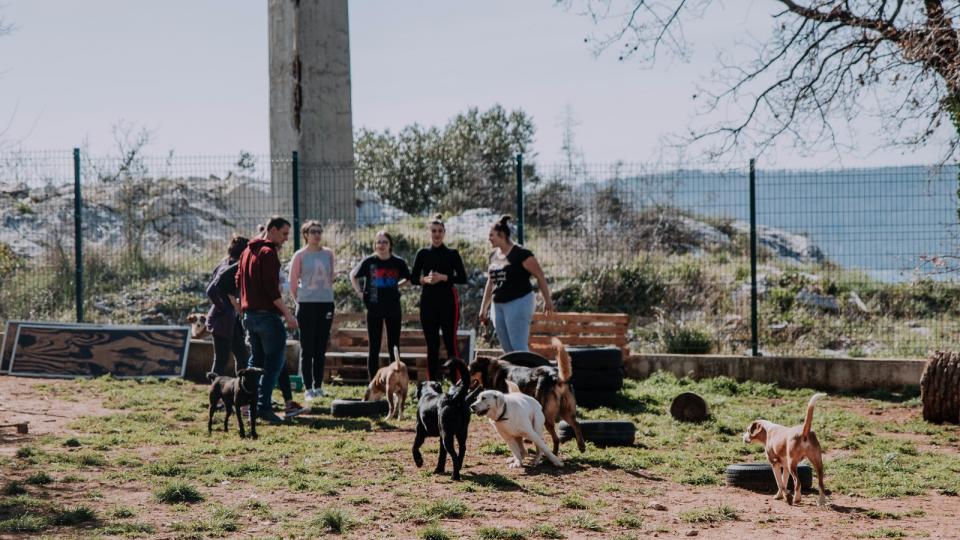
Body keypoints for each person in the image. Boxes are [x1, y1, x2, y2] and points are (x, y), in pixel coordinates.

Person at [236, 216, 305, 424]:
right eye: (284, 234)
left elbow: (238, 280)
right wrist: (287, 314)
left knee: (255, 362)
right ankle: (263, 407)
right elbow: (271, 289)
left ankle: (246, 403)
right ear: (272, 230)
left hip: (249, 316)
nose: (286, 239)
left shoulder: (247, 251)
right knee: (274, 363)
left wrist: (244, 303)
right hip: (267, 316)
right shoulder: (268, 253)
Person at [479, 215, 554, 353]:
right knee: (507, 348)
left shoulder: (521, 254)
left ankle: (527, 367)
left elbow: (540, 276)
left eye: (491, 235)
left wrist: (547, 300)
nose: (489, 238)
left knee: (518, 345)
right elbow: (490, 282)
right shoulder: (493, 256)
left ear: (502, 235)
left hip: (519, 302)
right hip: (498, 305)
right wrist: (483, 308)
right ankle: (514, 368)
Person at [410, 214, 467, 380]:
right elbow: (413, 278)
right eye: (434, 231)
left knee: (450, 342)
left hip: (448, 302)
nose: (436, 234)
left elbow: (463, 278)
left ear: (444, 233)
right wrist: (425, 280)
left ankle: (456, 382)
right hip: (428, 302)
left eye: (440, 231)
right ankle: (432, 383)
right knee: (432, 344)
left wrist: (443, 277)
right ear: (429, 233)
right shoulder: (422, 253)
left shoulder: (452, 254)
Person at [350, 230, 411, 380]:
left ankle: (395, 380)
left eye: (385, 242)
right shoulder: (369, 262)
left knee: (394, 346)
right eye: (378, 242)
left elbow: (409, 278)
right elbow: (353, 275)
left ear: (390, 245)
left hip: (393, 308)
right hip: (374, 308)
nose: (381, 245)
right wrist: (359, 292)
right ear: (374, 245)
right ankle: (373, 383)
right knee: (374, 347)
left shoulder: (398, 262)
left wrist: (397, 285)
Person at [289, 220, 335, 402]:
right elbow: (293, 283)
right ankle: (308, 388)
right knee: (307, 348)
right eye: (313, 231)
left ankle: (318, 386)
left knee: (320, 348)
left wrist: (325, 296)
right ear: (306, 235)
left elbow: (331, 278)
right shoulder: (300, 255)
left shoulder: (328, 254)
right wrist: (300, 301)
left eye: (319, 231)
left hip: (326, 303)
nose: (317, 235)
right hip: (306, 304)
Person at [205, 235, 249, 377]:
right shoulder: (232, 267)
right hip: (223, 321)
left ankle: (241, 387)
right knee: (221, 359)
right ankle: (215, 390)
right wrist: (224, 308)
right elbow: (211, 290)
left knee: (242, 357)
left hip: (231, 321)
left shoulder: (225, 263)